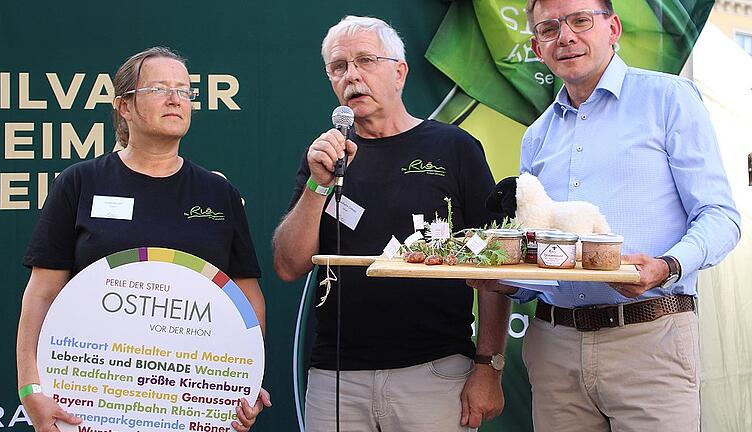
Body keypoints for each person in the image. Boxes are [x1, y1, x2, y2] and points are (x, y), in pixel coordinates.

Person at [468, 1, 741, 431]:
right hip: (554, 348)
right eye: (549, 29)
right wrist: (504, 277)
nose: (566, 36)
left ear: (612, 27)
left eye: (580, 21)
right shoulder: (538, 136)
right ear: (538, 48)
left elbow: (720, 217)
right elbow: (542, 250)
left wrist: (667, 266)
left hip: (649, 341)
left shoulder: (668, 99)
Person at [272, 15, 512, 432]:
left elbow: (492, 269)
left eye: (365, 61)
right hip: (336, 377)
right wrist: (316, 184)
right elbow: (289, 265)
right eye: (339, 67)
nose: (352, 76)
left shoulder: (453, 148)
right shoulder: (327, 156)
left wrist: (489, 367)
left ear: (399, 72)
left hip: (436, 372)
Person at [15, 47, 270, 432]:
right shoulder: (79, 183)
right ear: (125, 107)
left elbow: (247, 295)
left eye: (185, 91)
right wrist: (30, 387)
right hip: (94, 401)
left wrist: (245, 378)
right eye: (160, 88)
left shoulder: (220, 194)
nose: (176, 99)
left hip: (193, 406)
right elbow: (43, 292)